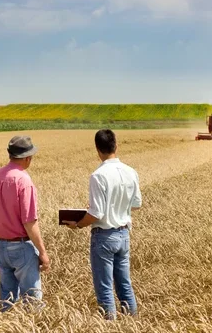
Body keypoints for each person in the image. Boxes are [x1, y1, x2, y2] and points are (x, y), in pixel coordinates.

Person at [63, 129, 142, 320]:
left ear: (97, 149)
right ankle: (133, 324)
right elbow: (137, 204)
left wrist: (79, 224)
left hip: (104, 237)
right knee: (124, 284)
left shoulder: (98, 175)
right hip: (124, 235)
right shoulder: (131, 172)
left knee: (105, 287)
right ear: (116, 145)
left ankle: (109, 326)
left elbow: (96, 214)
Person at [0, 135, 51, 312]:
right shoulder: (23, 180)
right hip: (21, 247)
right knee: (32, 301)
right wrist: (43, 253)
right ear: (28, 158)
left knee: (6, 299)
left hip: (1, 245)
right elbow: (30, 222)